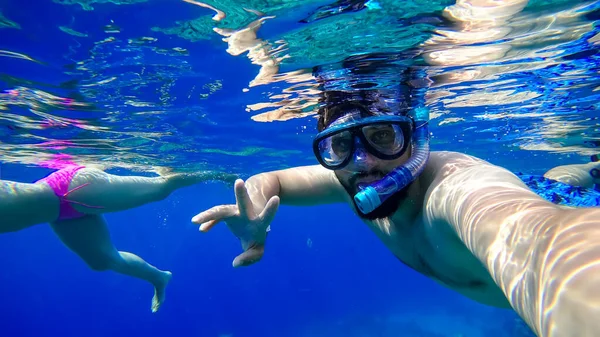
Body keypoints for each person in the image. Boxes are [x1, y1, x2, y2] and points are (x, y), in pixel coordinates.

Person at [192, 57, 600, 336]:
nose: (364, 162)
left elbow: (535, 241)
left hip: (567, 210)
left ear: (415, 138)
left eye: (383, 136)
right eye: (340, 146)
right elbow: (272, 179)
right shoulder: (347, 177)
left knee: (564, 190)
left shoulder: (455, 192)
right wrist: (256, 209)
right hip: (537, 187)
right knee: (554, 179)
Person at [1, 163, 237, 313]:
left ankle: (217, 170)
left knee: (161, 188)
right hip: (61, 216)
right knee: (102, 262)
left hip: (71, 189)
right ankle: (159, 278)